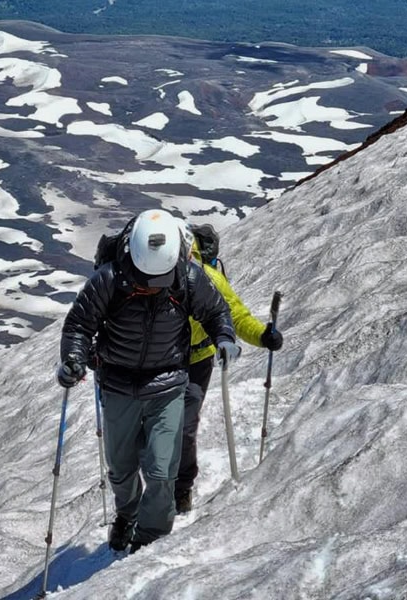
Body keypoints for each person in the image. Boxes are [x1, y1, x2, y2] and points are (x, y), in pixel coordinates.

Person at [57, 209, 239, 553]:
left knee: (161, 470)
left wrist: (225, 338)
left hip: (168, 384)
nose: (153, 287)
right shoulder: (108, 281)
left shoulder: (187, 277)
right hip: (117, 385)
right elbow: (79, 325)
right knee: (121, 467)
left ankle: (150, 537)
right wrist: (73, 360)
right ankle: (127, 514)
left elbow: (216, 312)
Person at [174, 221, 284, 514]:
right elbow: (237, 314)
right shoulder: (202, 275)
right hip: (190, 360)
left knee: (181, 427)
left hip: (191, 361)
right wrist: (263, 335)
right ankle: (175, 490)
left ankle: (179, 490)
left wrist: (262, 335)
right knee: (180, 428)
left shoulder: (204, 278)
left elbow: (233, 314)